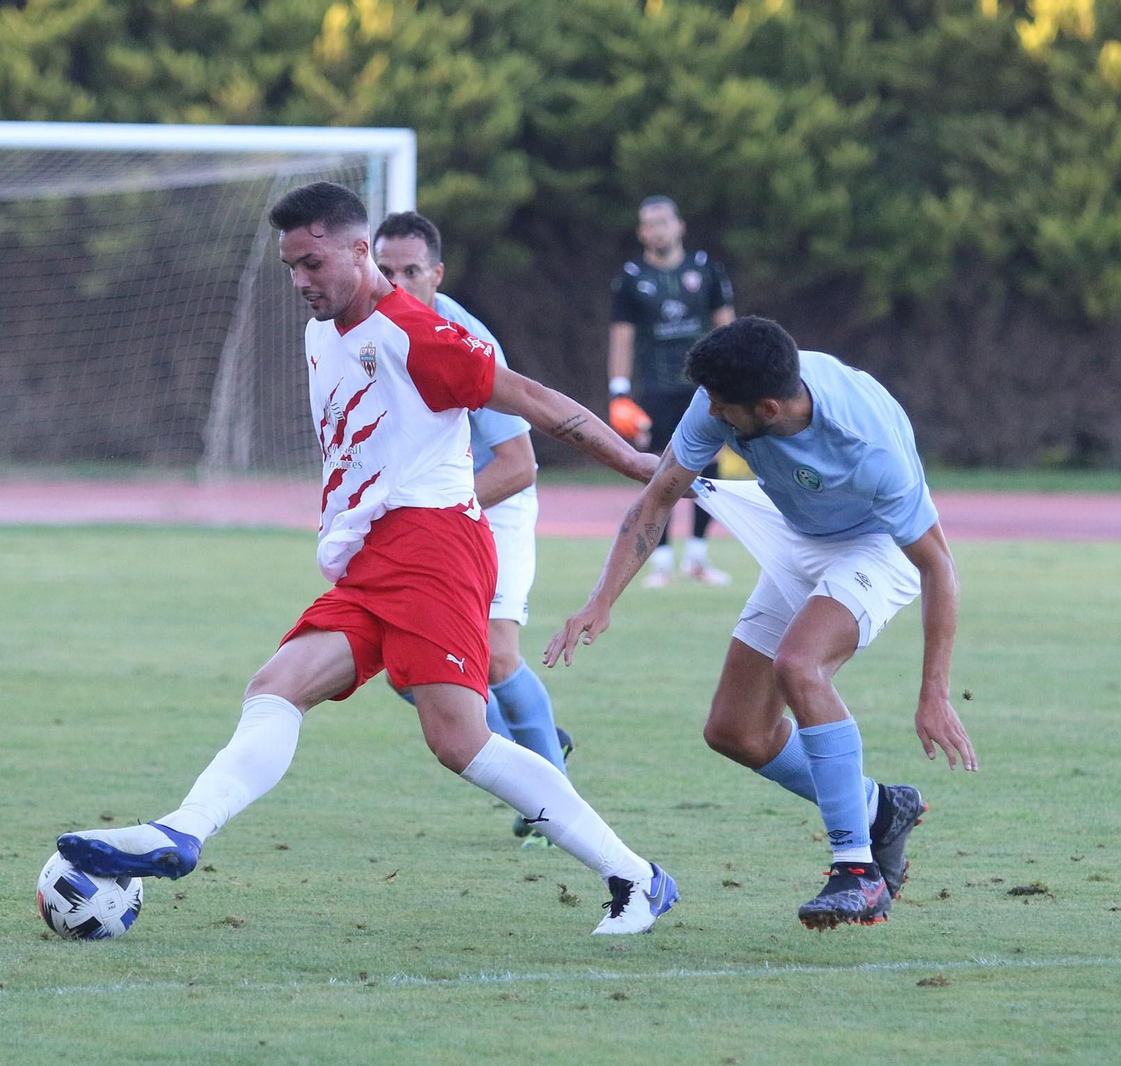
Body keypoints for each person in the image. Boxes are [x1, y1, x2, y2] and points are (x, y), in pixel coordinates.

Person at [58, 182, 678, 935]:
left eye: (312, 263)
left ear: (359, 251)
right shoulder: (322, 330)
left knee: (459, 741)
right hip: (372, 558)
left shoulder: (418, 332)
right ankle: (181, 832)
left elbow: (537, 401)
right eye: (291, 266)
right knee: (277, 685)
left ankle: (636, 877)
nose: (300, 281)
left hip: (434, 550)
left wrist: (635, 464)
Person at [546, 316, 977, 930]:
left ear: (769, 408)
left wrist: (933, 693)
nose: (710, 414)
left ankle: (857, 871)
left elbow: (938, 565)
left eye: (723, 408)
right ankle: (881, 809)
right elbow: (660, 494)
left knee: (800, 666)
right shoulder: (722, 396)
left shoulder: (867, 445)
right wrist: (601, 600)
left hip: (875, 545)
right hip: (795, 528)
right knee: (735, 731)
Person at [372, 210, 572, 848]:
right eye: (385, 270)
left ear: (437, 274)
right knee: (404, 669)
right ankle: (528, 753)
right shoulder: (360, 332)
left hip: (493, 501)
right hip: (428, 507)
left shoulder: (464, 342)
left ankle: (556, 805)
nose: (397, 284)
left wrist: (432, 514)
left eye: (411, 271)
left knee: (496, 653)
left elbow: (518, 465)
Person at [608, 196, 737, 587]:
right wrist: (619, 391)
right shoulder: (631, 278)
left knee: (709, 466)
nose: (657, 230)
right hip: (655, 388)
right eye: (649, 224)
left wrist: (734, 377)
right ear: (641, 232)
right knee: (659, 469)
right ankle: (660, 562)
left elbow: (727, 327)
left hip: (703, 388)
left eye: (663, 221)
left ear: (679, 226)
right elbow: (621, 336)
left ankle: (698, 556)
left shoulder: (707, 269)